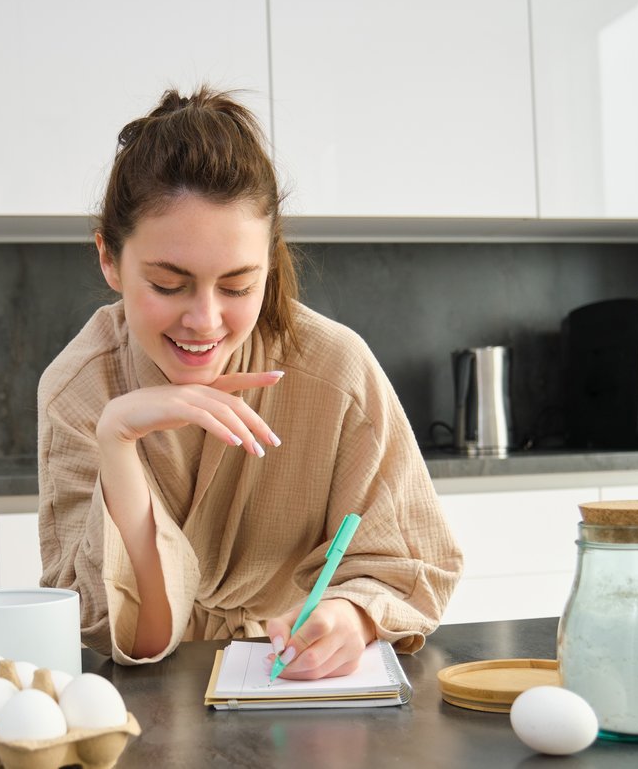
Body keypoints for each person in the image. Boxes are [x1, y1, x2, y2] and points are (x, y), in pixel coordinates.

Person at [37, 87, 463, 680]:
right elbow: (138, 637)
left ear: (270, 261)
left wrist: (350, 615)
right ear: (109, 258)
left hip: (294, 689)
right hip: (152, 707)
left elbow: (404, 562)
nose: (204, 320)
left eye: (237, 286)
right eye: (167, 284)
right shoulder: (78, 391)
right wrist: (117, 441)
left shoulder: (334, 370)